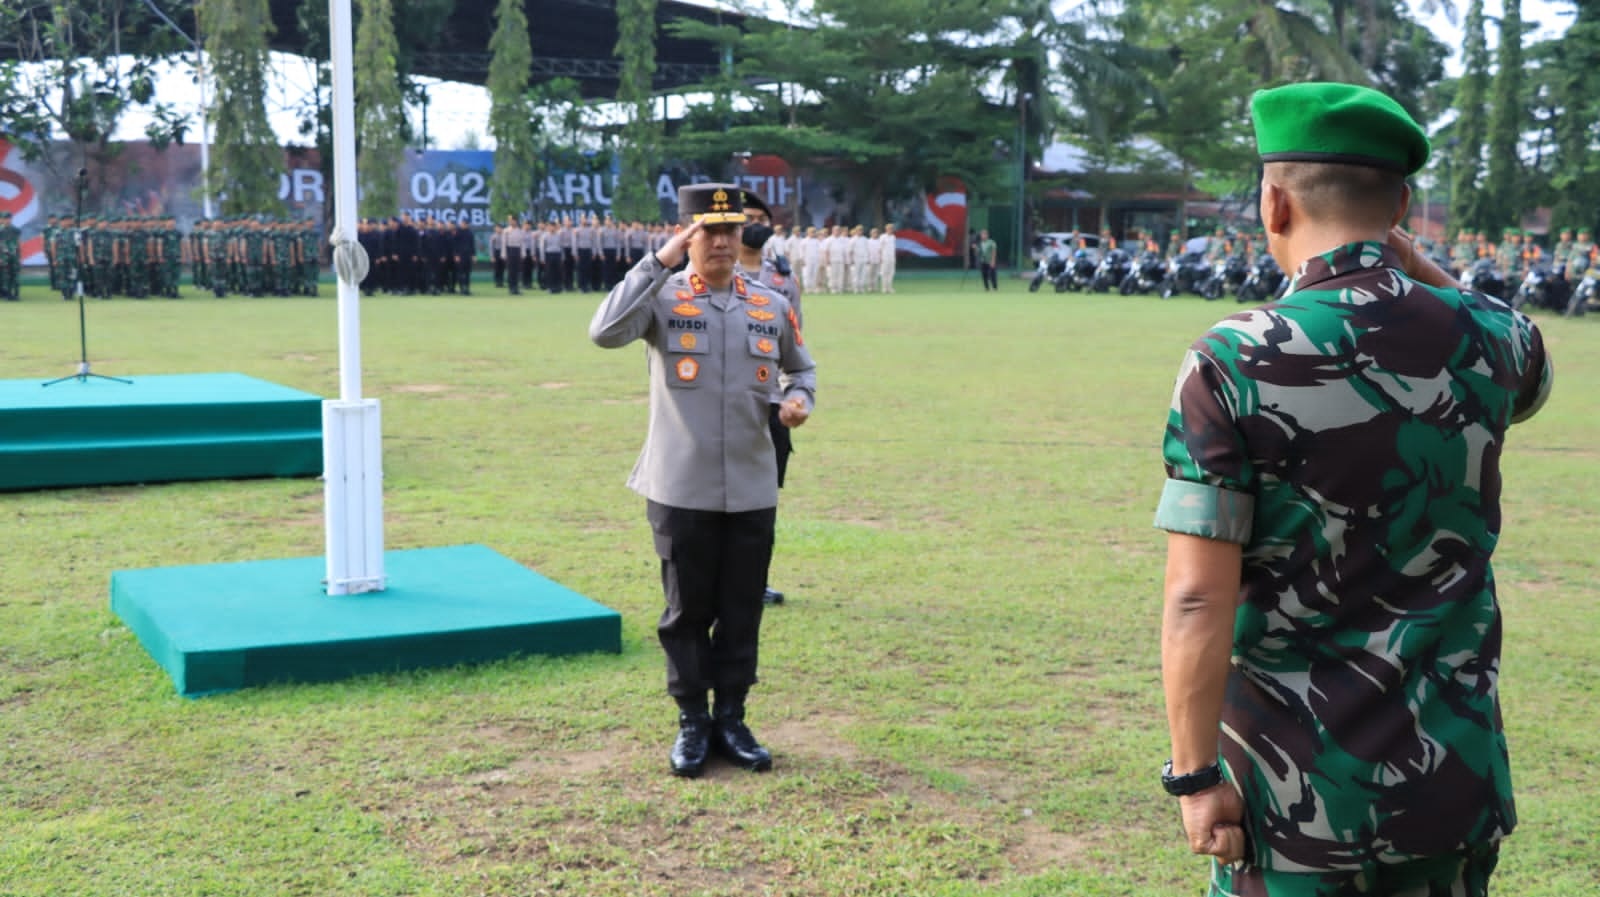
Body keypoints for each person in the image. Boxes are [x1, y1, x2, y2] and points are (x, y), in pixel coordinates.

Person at [1156, 82, 1552, 897]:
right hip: (1449, 785)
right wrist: (1405, 261)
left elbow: (1198, 599)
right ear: (1402, 203)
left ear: (1273, 204)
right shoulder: (1492, 337)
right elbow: (1534, 378)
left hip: (1288, 799)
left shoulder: (1230, 360)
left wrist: (1195, 778)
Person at [590, 184, 816, 779]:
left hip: (751, 484)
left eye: (729, 230)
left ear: (742, 235)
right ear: (686, 235)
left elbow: (802, 366)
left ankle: (733, 718)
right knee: (686, 611)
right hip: (680, 484)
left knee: (742, 609)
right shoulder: (661, 299)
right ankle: (692, 721)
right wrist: (660, 263)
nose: (720, 241)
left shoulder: (767, 304)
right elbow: (604, 331)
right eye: (706, 231)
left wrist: (798, 399)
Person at [738, 190, 804, 607]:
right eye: (745, 217)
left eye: (760, 216)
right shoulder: (711, 273)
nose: (754, 223)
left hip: (770, 402)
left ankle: (754, 581)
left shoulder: (781, 278)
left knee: (762, 502)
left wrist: (793, 397)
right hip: (724, 403)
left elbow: (795, 346)